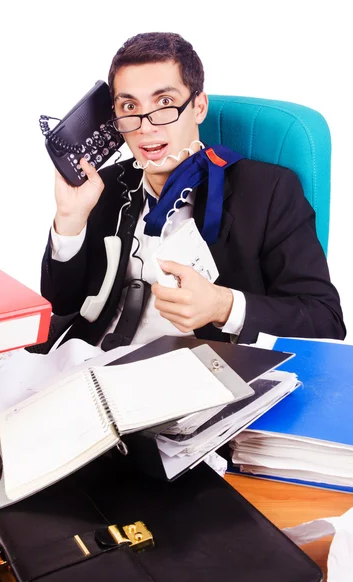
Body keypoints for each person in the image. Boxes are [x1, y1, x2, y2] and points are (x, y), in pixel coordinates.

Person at [41, 32, 345, 349]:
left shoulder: (268, 191)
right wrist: (70, 220)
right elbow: (59, 309)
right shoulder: (104, 187)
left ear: (198, 107)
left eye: (165, 103)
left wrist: (223, 305)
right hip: (89, 364)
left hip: (200, 374)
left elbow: (325, 322)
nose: (146, 126)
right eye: (130, 106)